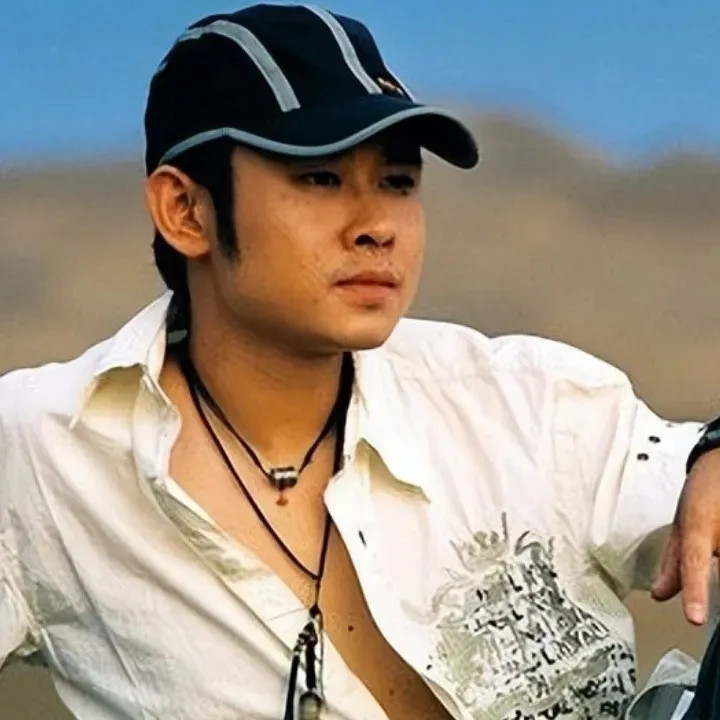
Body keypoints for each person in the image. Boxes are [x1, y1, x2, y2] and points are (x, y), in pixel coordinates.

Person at [2, 5, 719, 719]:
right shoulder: (47, 449)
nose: (377, 226)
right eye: (320, 179)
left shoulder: (526, 404)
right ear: (185, 211)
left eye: (398, 181)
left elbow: (692, 475)